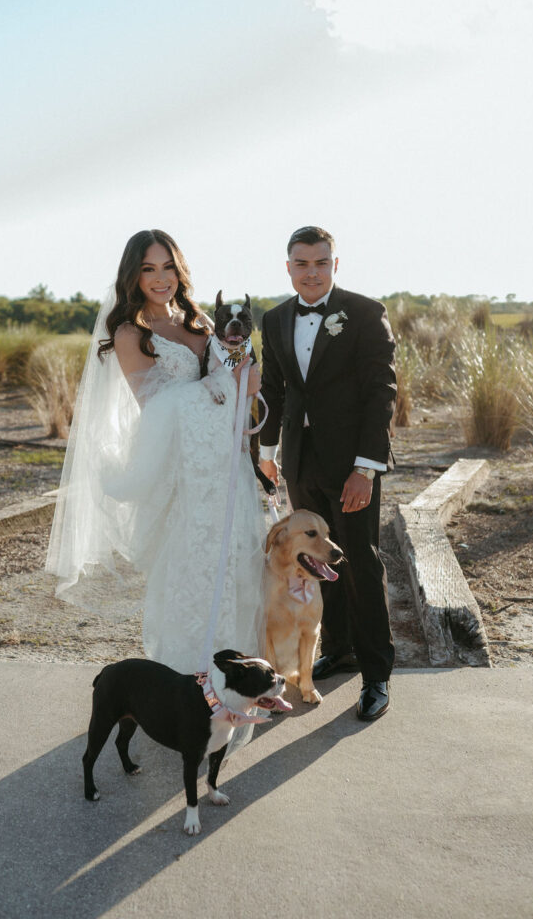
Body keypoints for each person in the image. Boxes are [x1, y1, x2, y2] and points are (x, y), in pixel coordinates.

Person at [46, 230, 266, 677]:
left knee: (236, 564)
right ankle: (190, 676)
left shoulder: (200, 319)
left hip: (225, 464)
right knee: (193, 570)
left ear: (179, 270)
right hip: (181, 472)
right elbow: (156, 409)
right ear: (134, 275)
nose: (160, 278)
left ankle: (241, 678)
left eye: (167, 267)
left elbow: (232, 375)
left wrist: (247, 381)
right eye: (149, 269)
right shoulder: (130, 333)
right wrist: (211, 387)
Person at [258, 226, 397, 721]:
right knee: (318, 562)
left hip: (351, 464)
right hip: (299, 459)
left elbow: (382, 391)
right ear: (289, 267)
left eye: (320, 262)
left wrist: (366, 468)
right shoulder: (274, 320)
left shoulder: (364, 313)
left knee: (359, 559)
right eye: (302, 263)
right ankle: (340, 648)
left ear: (335, 265)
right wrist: (268, 450)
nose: (311, 272)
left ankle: (377, 672)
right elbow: (273, 390)